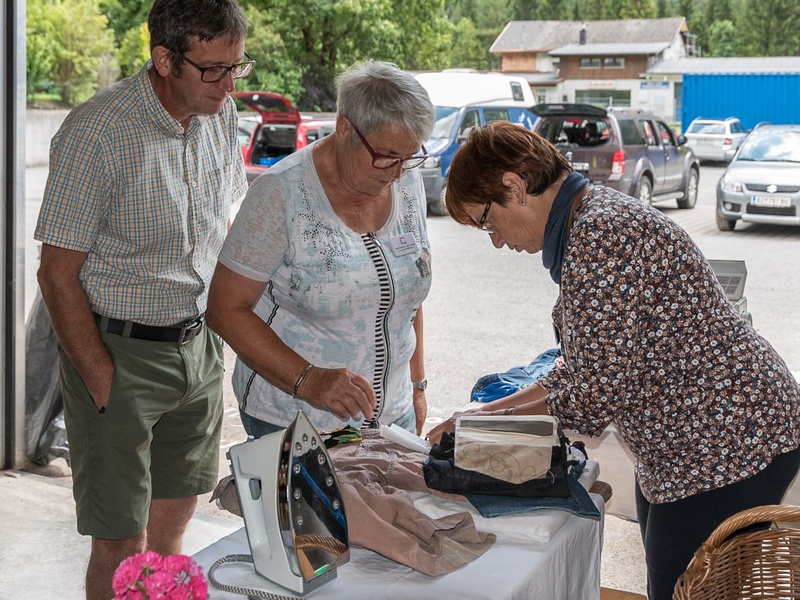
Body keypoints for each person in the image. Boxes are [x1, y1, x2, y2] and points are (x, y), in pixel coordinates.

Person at [428, 121, 800, 600]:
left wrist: (481, 432)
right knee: (670, 574)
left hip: (727, 445)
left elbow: (593, 398)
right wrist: (486, 413)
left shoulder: (600, 235)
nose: (494, 239)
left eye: (485, 221)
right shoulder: (590, 221)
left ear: (514, 187)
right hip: (697, 444)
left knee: (683, 589)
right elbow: (584, 367)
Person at [34, 1, 250, 598]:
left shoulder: (219, 113)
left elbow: (223, 222)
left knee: (171, 528)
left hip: (197, 350)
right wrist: (101, 376)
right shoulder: (97, 132)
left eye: (238, 67)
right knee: (119, 542)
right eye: (214, 69)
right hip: (118, 352)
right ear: (163, 60)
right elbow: (56, 274)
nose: (230, 84)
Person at [206, 60, 434, 439]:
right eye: (385, 156)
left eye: (408, 157)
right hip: (295, 420)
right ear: (344, 128)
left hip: (393, 417)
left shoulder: (407, 182)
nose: (396, 172)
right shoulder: (280, 195)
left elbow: (407, 293)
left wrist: (417, 385)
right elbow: (224, 309)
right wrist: (308, 380)